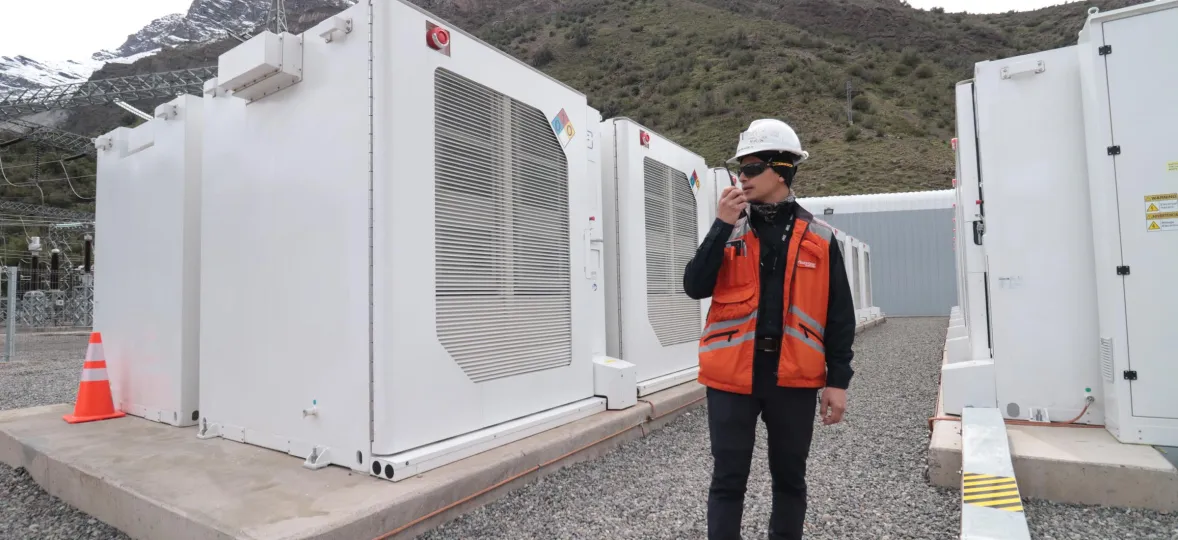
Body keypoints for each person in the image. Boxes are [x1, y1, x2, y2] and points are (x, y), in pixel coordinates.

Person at [683, 119, 856, 540]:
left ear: (782, 170)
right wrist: (721, 224)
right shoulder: (729, 229)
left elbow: (839, 316)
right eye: (739, 168)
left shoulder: (819, 237)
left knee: (790, 481)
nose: (741, 177)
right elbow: (694, 286)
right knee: (727, 481)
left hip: (793, 380)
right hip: (730, 378)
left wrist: (838, 381)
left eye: (752, 167)